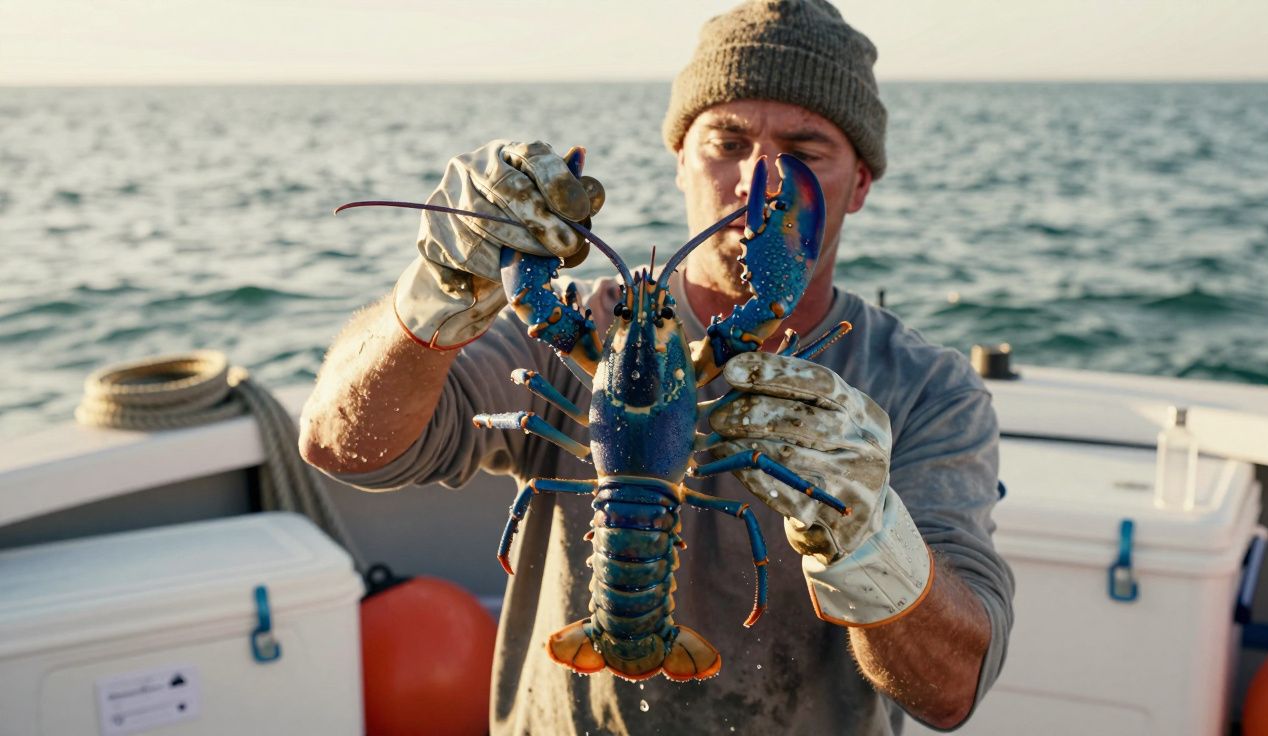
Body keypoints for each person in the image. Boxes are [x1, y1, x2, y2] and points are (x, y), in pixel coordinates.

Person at [300, 0, 1014, 733]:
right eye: (728, 140)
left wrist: (870, 539)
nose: (753, 179)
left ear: (859, 184)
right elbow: (341, 447)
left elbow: (951, 690)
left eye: (803, 148)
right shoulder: (573, 324)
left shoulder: (928, 390)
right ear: (679, 158)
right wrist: (435, 294)